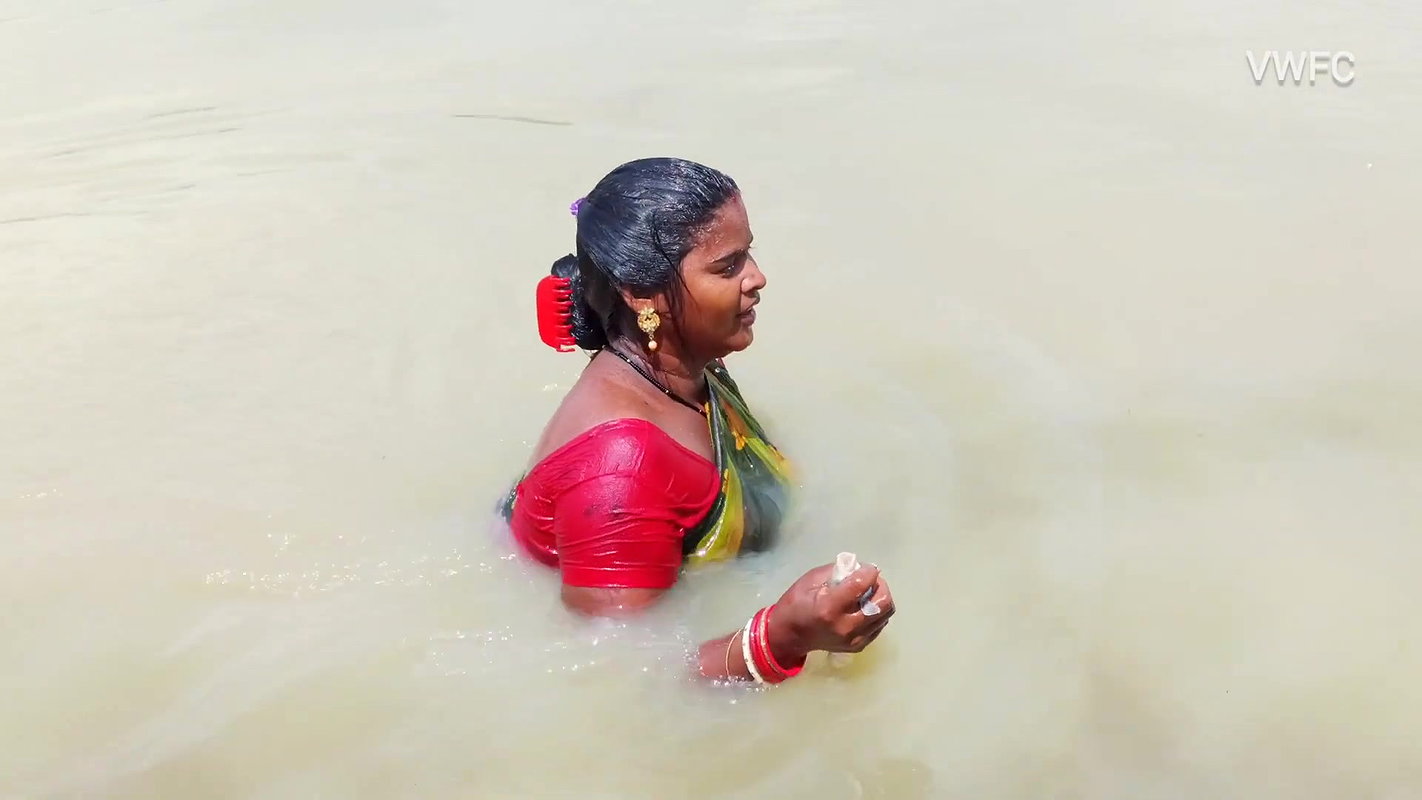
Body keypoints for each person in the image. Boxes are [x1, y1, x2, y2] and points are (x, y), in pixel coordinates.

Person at [502, 157, 895, 684]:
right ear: (643, 295)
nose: (757, 278)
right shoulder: (620, 474)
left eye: (749, 253)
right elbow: (624, 680)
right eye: (727, 266)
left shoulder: (690, 368)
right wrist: (783, 636)